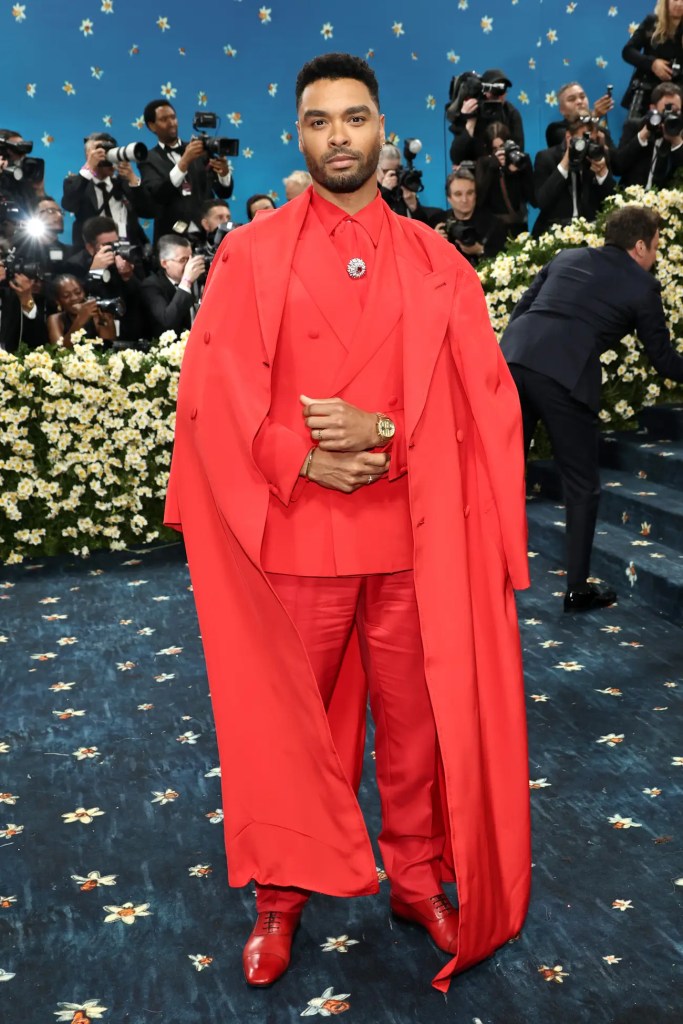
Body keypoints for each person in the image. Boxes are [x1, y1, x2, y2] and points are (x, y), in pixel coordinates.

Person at [165, 51, 530, 995]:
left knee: (418, 727)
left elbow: (482, 397)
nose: (338, 136)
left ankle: (415, 877)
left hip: (414, 537)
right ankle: (280, 897)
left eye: (354, 117)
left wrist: (389, 434)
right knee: (292, 728)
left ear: (382, 130)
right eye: (319, 120)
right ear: (297, 134)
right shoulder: (249, 254)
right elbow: (213, 392)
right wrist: (301, 455)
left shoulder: (437, 259)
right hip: (295, 535)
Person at [500, 204, 683, 611]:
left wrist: (518, 354)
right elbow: (664, 360)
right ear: (640, 246)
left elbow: (522, 309)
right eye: (656, 246)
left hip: (513, 359)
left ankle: (490, 576)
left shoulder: (568, 256)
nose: (656, 255)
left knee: (506, 474)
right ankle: (577, 589)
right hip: (565, 372)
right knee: (581, 485)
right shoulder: (643, 286)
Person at [140, 100, 233, 243]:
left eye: (173, 117)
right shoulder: (148, 159)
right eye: (164, 119)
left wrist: (224, 173)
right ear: (151, 126)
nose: (171, 123)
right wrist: (184, 162)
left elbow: (224, 193)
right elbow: (158, 194)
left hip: (207, 235)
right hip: (172, 237)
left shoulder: (200, 149)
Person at [64, 215, 145, 345]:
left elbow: (141, 296)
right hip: (93, 335)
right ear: (90, 248)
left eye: (116, 243)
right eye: (107, 245)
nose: (113, 249)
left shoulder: (125, 258)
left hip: (127, 331)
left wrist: (128, 277)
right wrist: (94, 271)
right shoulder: (75, 265)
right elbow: (79, 301)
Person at [61, 132, 150, 249]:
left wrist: (132, 178)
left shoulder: (123, 183)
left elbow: (147, 211)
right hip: (93, 253)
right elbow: (69, 205)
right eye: (100, 149)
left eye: (109, 150)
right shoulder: (76, 182)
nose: (106, 154)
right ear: (88, 155)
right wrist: (89, 167)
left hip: (128, 250)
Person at [532, 115, 616, 237]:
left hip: (589, 234)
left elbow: (613, 201)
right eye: (584, 140)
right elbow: (542, 201)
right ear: (568, 137)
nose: (588, 145)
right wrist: (566, 162)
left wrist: (602, 173)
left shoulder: (597, 157)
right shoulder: (546, 158)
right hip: (554, 233)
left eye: (591, 141)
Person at [429, 169, 506, 266]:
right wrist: (432, 241)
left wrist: (481, 250)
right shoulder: (436, 222)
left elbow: (504, 259)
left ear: (475, 195)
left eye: (469, 193)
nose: (464, 200)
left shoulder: (494, 224)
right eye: (458, 194)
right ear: (449, 198)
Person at [448, 69, 525, 166]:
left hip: (502, 171)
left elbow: (518, 153)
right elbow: (456, 157)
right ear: (484, 91)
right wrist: (470, 122)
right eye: (494, 92)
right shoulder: (472, 111)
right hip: (475, 171)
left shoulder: (511, 113)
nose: (499, 96)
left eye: (503, 91)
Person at [621, 0, 683, 120]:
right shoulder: (652, 22)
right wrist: (652, 64)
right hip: (646, 95)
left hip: (678, 98)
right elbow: (628, 51)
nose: (679, 4)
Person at [614, 82, 683, 187]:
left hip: (665, 196)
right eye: (667, 110)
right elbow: (617, 167)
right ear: (653, 109)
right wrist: (642, 136)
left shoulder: (680, 134)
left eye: (676, 111)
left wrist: (676, 141)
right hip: (631, 195)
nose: (671, 116)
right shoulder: (634, 126)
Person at [475, 123, 535, 237]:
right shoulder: (484, 163)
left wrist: (517, 171)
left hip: (518, 226)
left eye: (502, 147)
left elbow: (532, 199)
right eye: (495, 149)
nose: (500, 152)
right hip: (492, 228)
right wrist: (492, 169)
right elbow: (480, 200)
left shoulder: (519, 160)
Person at [140, 234, 205, 336]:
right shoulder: (151, 286)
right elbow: (167, 321)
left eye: (190, 259)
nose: (189, 265)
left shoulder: (197, 280)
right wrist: (186, 282)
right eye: (183, 260)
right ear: (164, 263)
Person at [46, 273, 116, 348]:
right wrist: (80, 319)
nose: (74, 298)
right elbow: (59, 350)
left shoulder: (96, 315)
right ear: (58, 301)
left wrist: (107, 322)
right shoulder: (55, 319)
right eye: (66, 296)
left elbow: (107, 346)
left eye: (78, 292)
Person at [545, 82, 615, 148]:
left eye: (582, 97)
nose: (579, 101)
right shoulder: (555, 129)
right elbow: (576, 144)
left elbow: (615, 156)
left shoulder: (602, 131)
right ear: (562, 110)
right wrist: (594, 116)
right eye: (571, 99)